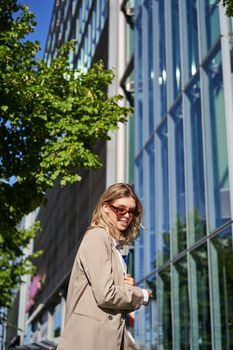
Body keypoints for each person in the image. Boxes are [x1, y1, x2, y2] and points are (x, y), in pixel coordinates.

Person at [57, 183, 152, 350]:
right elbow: (106, 294)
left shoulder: (113, 245)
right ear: (106, 207)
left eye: (132, 211)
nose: (127, 215)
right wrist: (141, 295)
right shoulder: (97, 237)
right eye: (121, 209)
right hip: (89, 340)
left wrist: (124, 287)